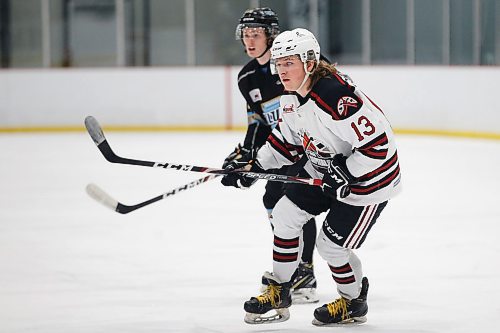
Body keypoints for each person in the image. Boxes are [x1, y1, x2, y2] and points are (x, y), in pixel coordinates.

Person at [221, 28, 402, 326]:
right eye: (278, 64)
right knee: (284, 215)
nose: (282, 70)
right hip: (325, 168)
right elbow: (285, 140)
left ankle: (352, 301)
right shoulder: (291, 96)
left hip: (370, 181)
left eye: (289, 63)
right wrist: (253, 167)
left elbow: (378, 147)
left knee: (330, 247)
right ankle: (279, 289)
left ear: (309, 62)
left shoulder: (335, 95)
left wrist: (345, 173)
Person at [221, 8, 319, 304]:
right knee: (271, 201)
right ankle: (299, 268)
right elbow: (258, 122)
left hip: (310, 146)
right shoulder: (247, 77)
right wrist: (246, 155)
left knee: (294, 200)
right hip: (281, 146)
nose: (250, 41)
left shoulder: (294, 65)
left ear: (271, 35)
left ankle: (305, 269)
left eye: (256, 34)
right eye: (246, 35)